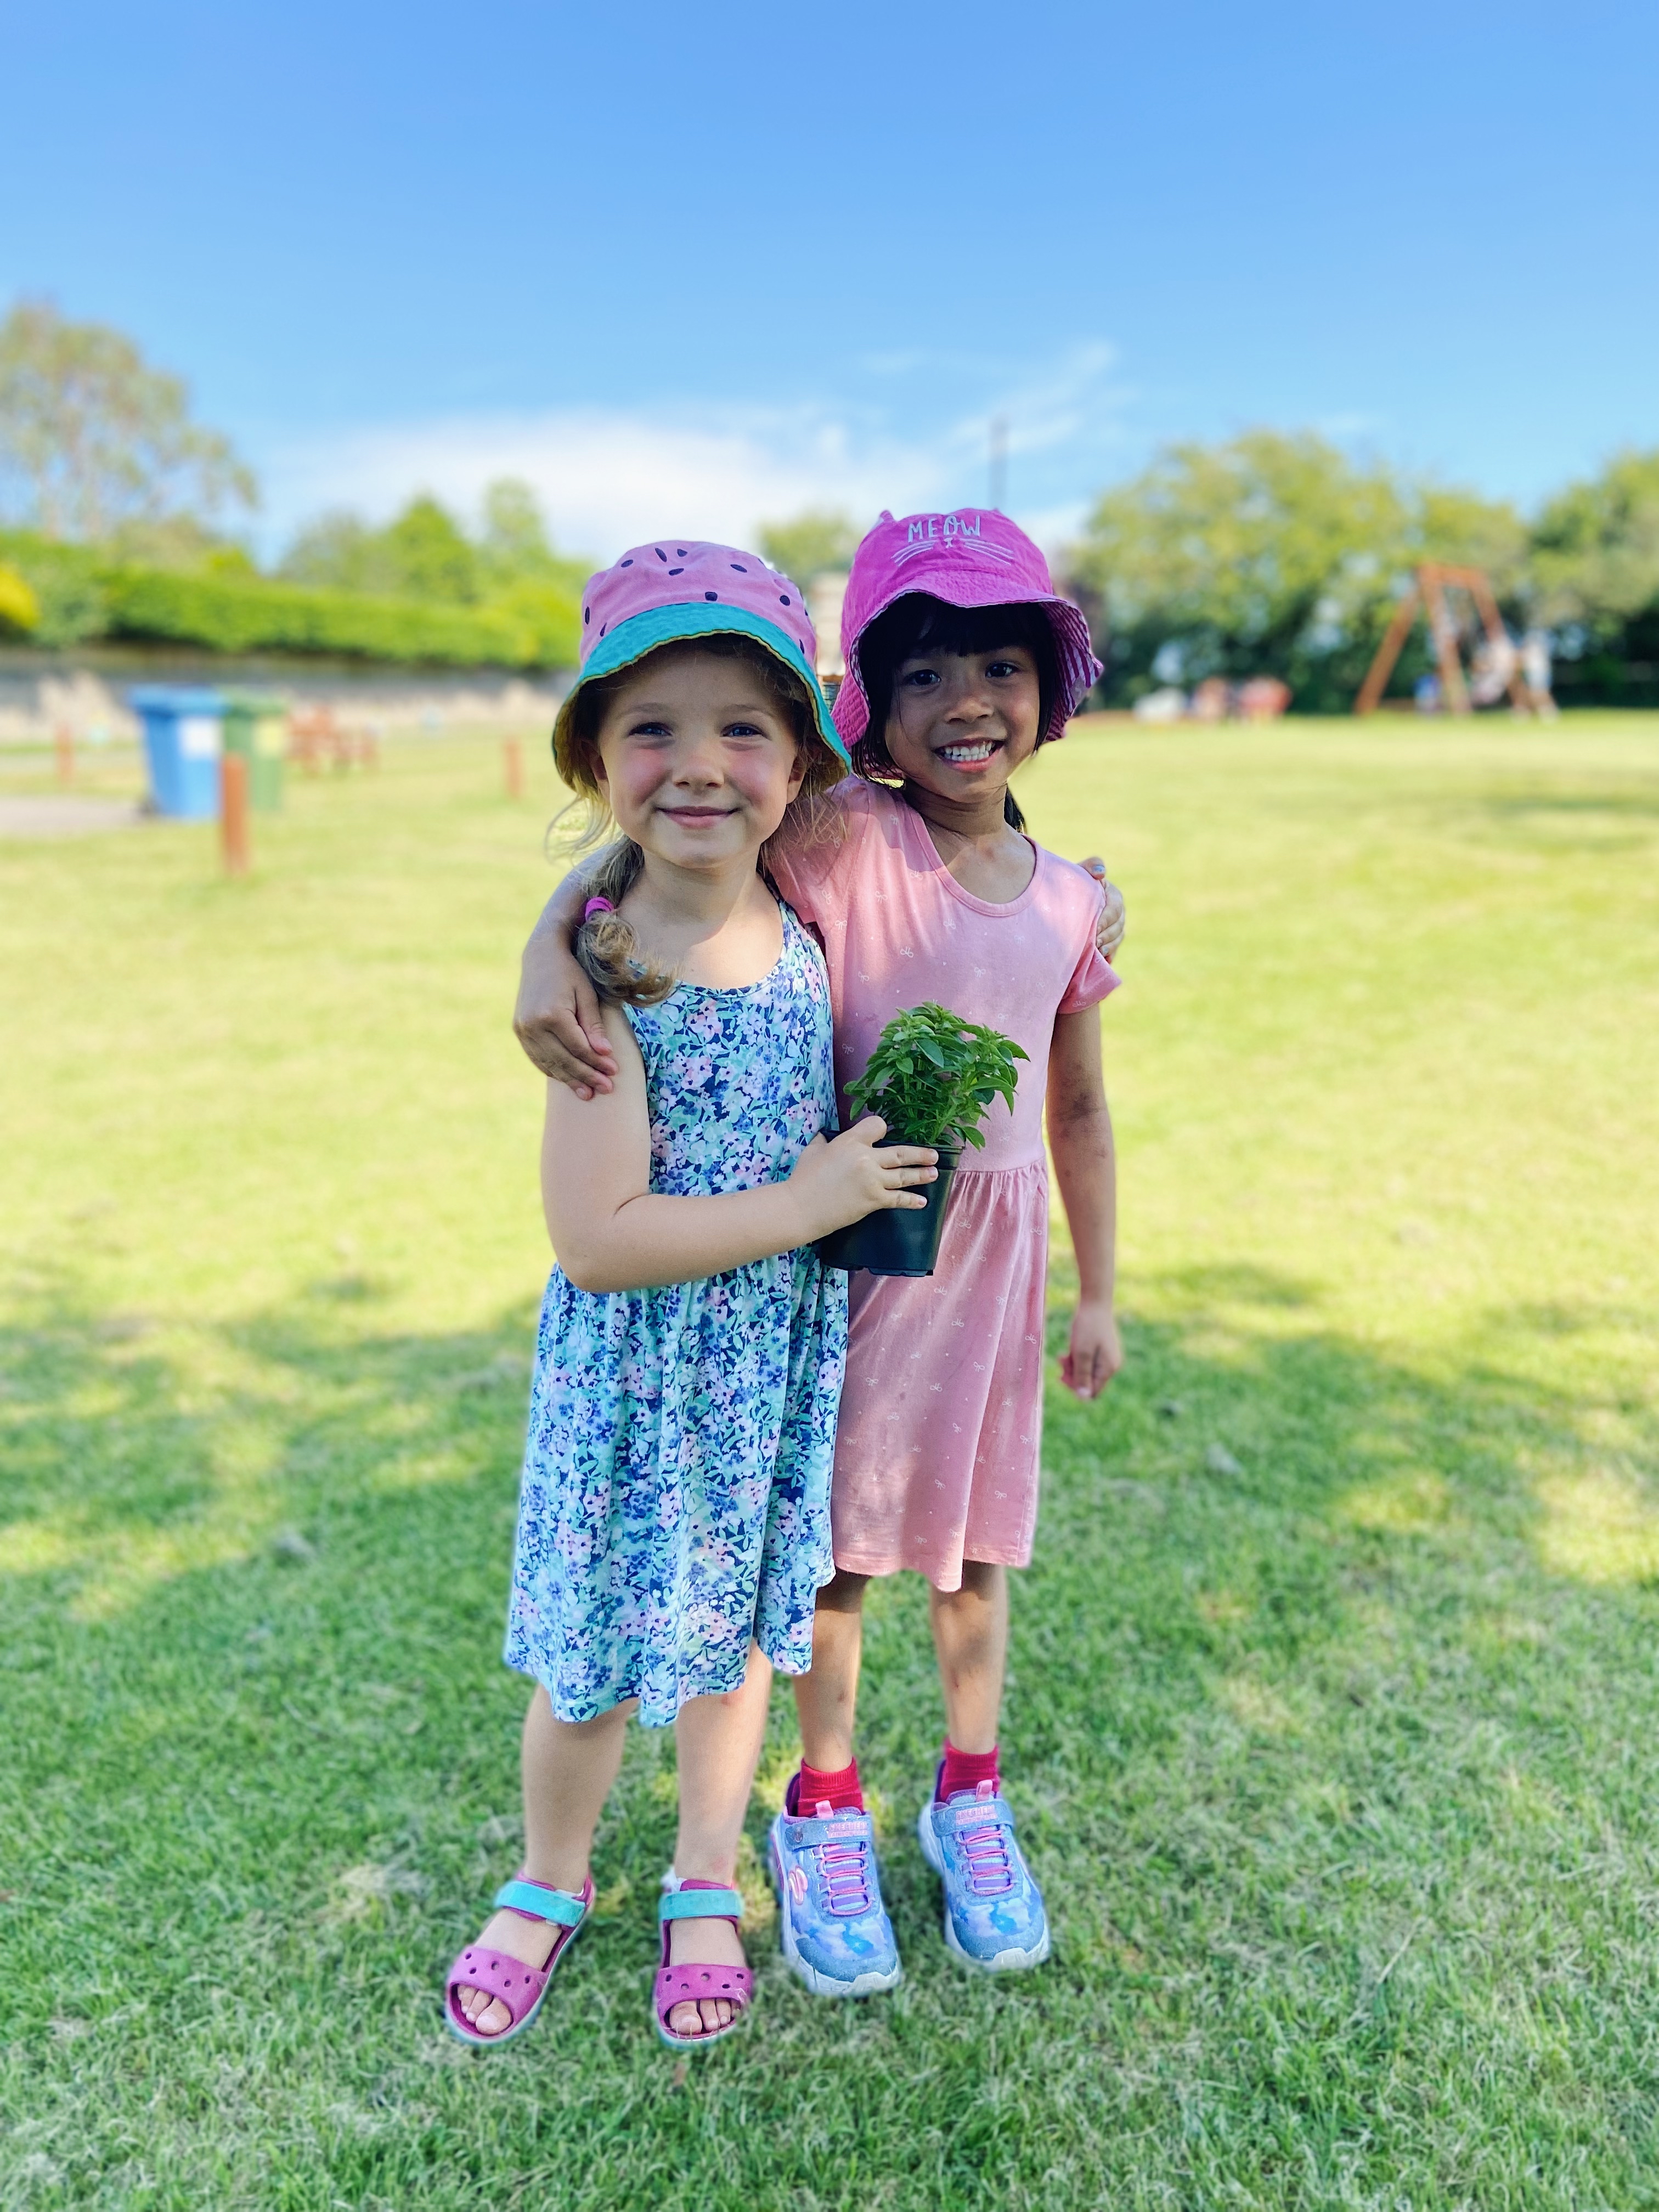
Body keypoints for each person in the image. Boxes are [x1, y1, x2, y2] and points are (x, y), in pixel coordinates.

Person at [516, 507, 1123, 1997]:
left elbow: (1086, 1107)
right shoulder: (846, 834)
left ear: (1049, 684)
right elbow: (671, 825)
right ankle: (824, 1804)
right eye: (921, 675)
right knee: (838, 1553)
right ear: (869, 714)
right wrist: (551, 938)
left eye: (997, 663)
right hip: (846, 1266)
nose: (964, 701)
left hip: (988, 1266)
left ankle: (968, 1793)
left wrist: (1103, 1290)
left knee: (978, 1551)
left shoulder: (1076, 898)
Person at [444, 543, 939, 2053]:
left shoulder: (796, 896)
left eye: (744, 727)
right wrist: (815, 1201)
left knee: (729, 1653)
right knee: (590, 1663)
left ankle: (704, 1879)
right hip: (635, 1378)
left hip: (759, 1372)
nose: (701, 765)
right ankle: (549, 1880)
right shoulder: (600, 967)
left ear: (801, 760)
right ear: (595, 757)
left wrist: (1087, 898)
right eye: (652, 728)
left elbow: (952, 813)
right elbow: (597, 1237)